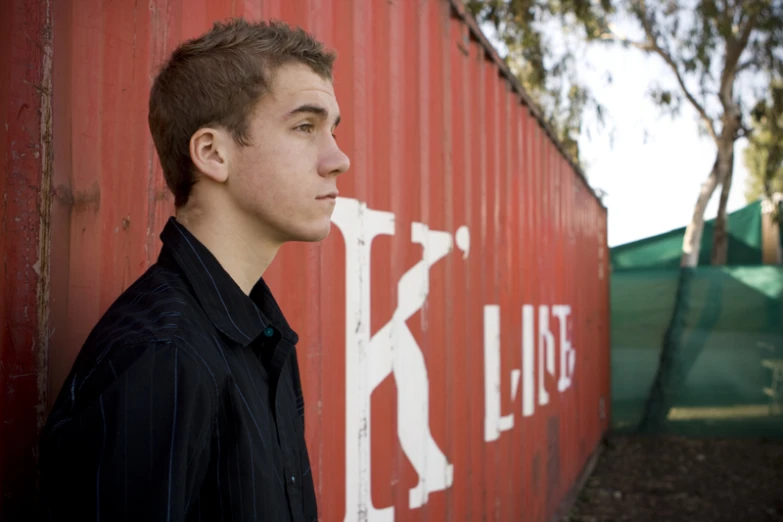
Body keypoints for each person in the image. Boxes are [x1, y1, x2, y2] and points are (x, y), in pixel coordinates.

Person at [38, 18, 349, 522]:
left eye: (333, 129)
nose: (339, 158)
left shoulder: (261, 339)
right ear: (212, 153)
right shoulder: (161, 357)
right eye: (305, 127)